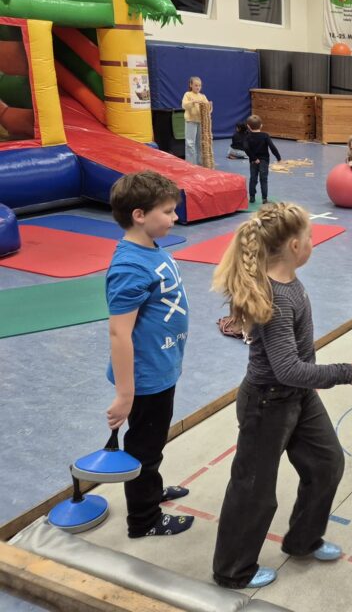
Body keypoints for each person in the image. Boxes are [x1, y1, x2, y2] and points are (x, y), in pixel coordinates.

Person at [211, 202, 352, 589]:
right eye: (310, 237)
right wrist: (347, 372)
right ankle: (232, 570)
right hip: (267, 403)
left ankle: (304, 539)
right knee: (254, 489)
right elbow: (287, 368)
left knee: (326, 463)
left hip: (297, 397)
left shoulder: (288, 283)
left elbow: (293, 369)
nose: (312, 243)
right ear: (293, 245)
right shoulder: (277, 298)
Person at [105, 171, 193, 538]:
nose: (175, 217)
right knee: (144, 448)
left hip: (162, 367)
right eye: (168, 212)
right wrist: (126, 394)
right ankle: (143, 520)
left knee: (153, 442)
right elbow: (119, 333)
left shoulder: (152, 249)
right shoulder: (128, 267)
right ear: (139, 215)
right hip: (145, 379)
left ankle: (152, 491)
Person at [242, 115, 281, 204]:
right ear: (261, 126)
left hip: (253, 161)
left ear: (248, 126)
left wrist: (254, 158)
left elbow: (246, 148)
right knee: (264, 179)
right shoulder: (265, 136)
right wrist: (278, 158)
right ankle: (264, 199)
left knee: (253, 179)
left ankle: (252, 197)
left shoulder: (247, 136)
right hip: (264, 161)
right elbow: (272, 147)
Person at [181, 76, 211, 166]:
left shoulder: (202, 96)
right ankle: (191, 164)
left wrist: (209, 106)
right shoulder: (187, 94)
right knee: (190, 144)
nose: (198, 87)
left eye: (199, 85)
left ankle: (200, 164)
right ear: (191, 85)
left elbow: (208, 109)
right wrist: (193, 102)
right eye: (196, 85)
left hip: (201, 122)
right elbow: (184, 105)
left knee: (200, 143)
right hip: (190, 121)